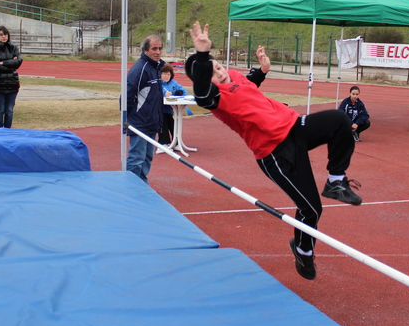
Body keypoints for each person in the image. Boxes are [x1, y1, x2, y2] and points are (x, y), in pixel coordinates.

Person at [185, 22, 360, 281]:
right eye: (212, 73)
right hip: (276, 153)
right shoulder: (214, 97)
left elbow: (249, 83)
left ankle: (336, 181)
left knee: (339, 120)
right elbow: (201, 91)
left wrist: (263, 69)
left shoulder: (234, 75)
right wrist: (201, 55)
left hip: (295, 127)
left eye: (218, 67)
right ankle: (303, 249)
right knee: (311, 209)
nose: (220, 74)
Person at [126, 35, 165, 183]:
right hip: (139, 122)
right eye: (154, 48)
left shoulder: (157, 67)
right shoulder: (140, 68)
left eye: (160, 48)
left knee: (148, 157)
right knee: (137, 157)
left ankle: (142, 184)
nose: (157, 52)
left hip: (152, 121)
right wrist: (126, 118)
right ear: (145, 50)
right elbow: (128, 95)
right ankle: (131, 187)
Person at [0, 26, 22, 128]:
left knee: (9, 110)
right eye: (1, 34)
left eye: (5, 34)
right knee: (0, 110)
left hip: (12, 83)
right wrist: (10, 67)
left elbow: (18, 62)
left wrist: (4, 63)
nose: (4, 36)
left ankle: (8, 131)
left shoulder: (13, 47)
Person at [159, 63, 190, 145]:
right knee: (163, 124)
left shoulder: (174, 83)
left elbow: (184, 91)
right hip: (160, 109)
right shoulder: (158, 84)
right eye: (164, 74)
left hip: (170, 109)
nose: (166, 76)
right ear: (160, 74)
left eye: (168, 74)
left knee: (173, 124)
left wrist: (179, 92)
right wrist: (164, 94)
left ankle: (175, 142)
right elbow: (155, 93)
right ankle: (163, 143)